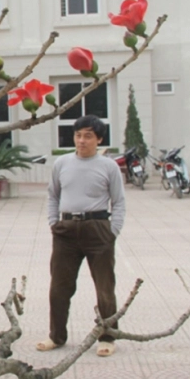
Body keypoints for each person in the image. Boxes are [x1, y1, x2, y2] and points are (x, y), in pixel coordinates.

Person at [36, 114, 126, 357]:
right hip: (66, 231)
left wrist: (112, 232)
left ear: (99, 139)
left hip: (97, 228)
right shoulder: (62, 164)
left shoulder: (109, 166)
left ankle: (108, 336)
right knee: (59, 287)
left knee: (105, 288)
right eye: (78, 135)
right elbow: (53, 195)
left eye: (88, 136)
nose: (82, 140)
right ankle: (57, 335)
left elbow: (118, 202)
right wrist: (54, 223)